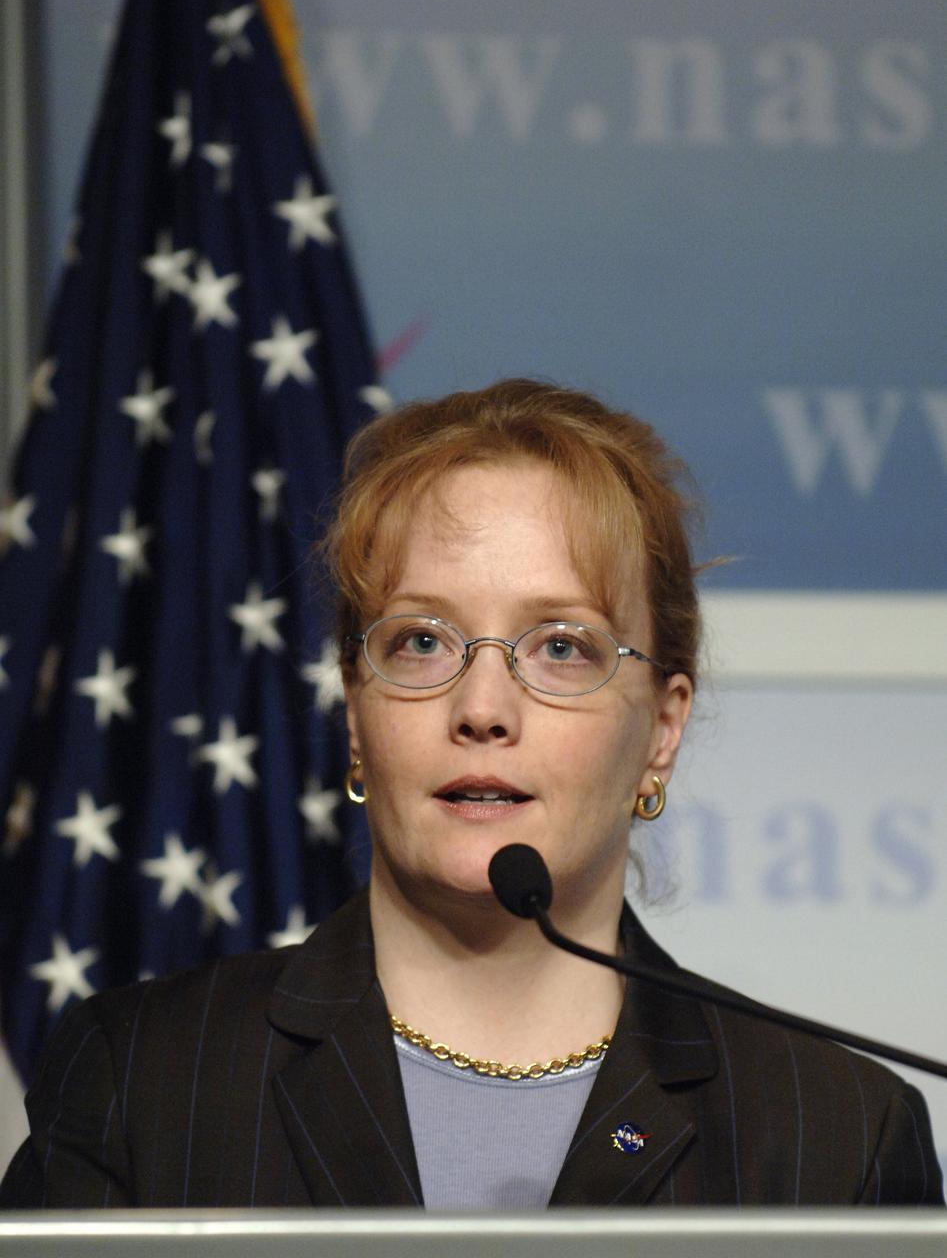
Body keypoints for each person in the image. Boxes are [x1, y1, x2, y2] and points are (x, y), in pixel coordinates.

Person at [1, 379, 941, 1208]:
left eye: (561, 647)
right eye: (421, 642)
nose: (481, 708)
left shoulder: (836, 1135)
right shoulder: (147, 1082)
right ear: (357, 713)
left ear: (660, 728)